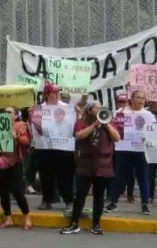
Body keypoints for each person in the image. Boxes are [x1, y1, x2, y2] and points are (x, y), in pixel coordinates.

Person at [61, 101, 120, 236]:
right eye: (96, 108)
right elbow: (79, 135)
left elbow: (117, 138)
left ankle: (96, 224)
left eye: (100, 108)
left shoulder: (108, 122)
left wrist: (107, 125)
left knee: (99, 197)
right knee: (80, 196)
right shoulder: (82, 122)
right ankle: (74, 224)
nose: (99, 110)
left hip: (103, 166)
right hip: (85, 165)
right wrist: (94, 125)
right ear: (88, 110)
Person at [105, 90, 152, 215]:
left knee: (142, 177)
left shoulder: (148, 115)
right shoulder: (120, 113)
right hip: (123, 149)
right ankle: (113, 202)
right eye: (137, 97)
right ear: (131, 99)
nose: (140, 100)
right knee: (119, 177)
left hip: (141, 150)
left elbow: (153, 132)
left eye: (142, 98)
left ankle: (144, 204)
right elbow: (113, 128)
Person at [0, 107, 32, 230]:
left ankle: (27, 216)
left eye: (9, 112)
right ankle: (8, 217)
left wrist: (16, 137)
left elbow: (26, 141)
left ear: (15, 116)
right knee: (2, 192)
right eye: (5, 112)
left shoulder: (20, 126)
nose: (6, 114)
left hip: (14, 163)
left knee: (17, 192)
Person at [37, 84, 74, 211]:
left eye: (58, 92)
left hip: (63, 147)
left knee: (65, 174)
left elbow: (70, 125)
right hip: (45, 146)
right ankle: (46, 199)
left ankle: (69, 200)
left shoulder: (67, 108)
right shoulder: (40, 108)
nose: (58, 94)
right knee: (46, 174)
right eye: (54, 92)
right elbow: (36, 125)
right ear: (47, 95)